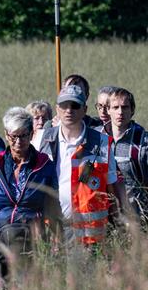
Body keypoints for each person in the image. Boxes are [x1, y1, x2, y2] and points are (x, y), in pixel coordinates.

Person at [36, 85, 130, 248]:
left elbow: (112, 189)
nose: (69, 110)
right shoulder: (41, 140)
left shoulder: (101, 142)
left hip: (91, 238)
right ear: (57, 109)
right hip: (53, 233)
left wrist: (122, 226)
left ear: (84, 109)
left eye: (75, 105)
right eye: (64, 105)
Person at [0, 108, 58, 284]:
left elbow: (53, 204)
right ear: (6, 135)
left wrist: (56, 238)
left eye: (23, 135)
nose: (18, 142)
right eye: (13, 136)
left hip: (31, 238)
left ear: (32, 134)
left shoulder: (44, 165)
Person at [101, 87, 148, 240]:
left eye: (125, 107)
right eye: (115, 107)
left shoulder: (144, 141)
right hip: (105, 221)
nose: (120, 112)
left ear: (132, 110)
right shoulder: (97, 139)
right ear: (108, 110)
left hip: (140, 219)